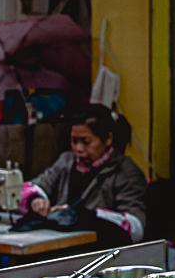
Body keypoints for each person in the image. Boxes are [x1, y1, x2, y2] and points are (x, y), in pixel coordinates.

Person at [20, 104, 147, 245]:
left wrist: (89, 216)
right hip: (62, 245)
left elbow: (136, 226)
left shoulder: (125, 172)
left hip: (101, 252)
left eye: (86, 142)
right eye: (74, 141)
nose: (78, 149)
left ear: (108, 139)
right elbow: (31, 187)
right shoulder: (67, 162)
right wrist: (35, 199)